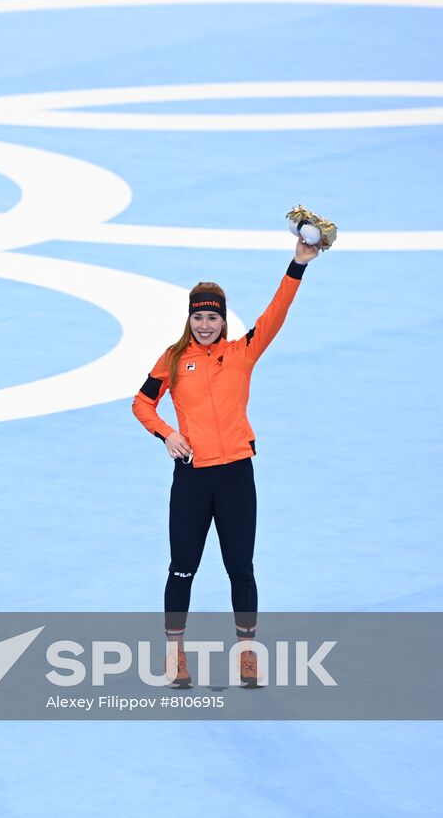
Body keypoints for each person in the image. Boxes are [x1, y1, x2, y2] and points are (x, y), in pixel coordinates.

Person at [132, 236, 320, 687]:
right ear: (189, 319)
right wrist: (168, 433)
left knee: (242, 568)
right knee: (181, 568)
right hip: (192, 479)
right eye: (197, 316)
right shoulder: (174, 360)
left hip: (236, 474)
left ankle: (247, 657)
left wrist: (298, 264)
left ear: (223, 320)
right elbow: (141, 403)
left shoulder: (243, 352)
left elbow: (276, 313)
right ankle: (176, 659)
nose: (204, 324)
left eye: (212, 317)